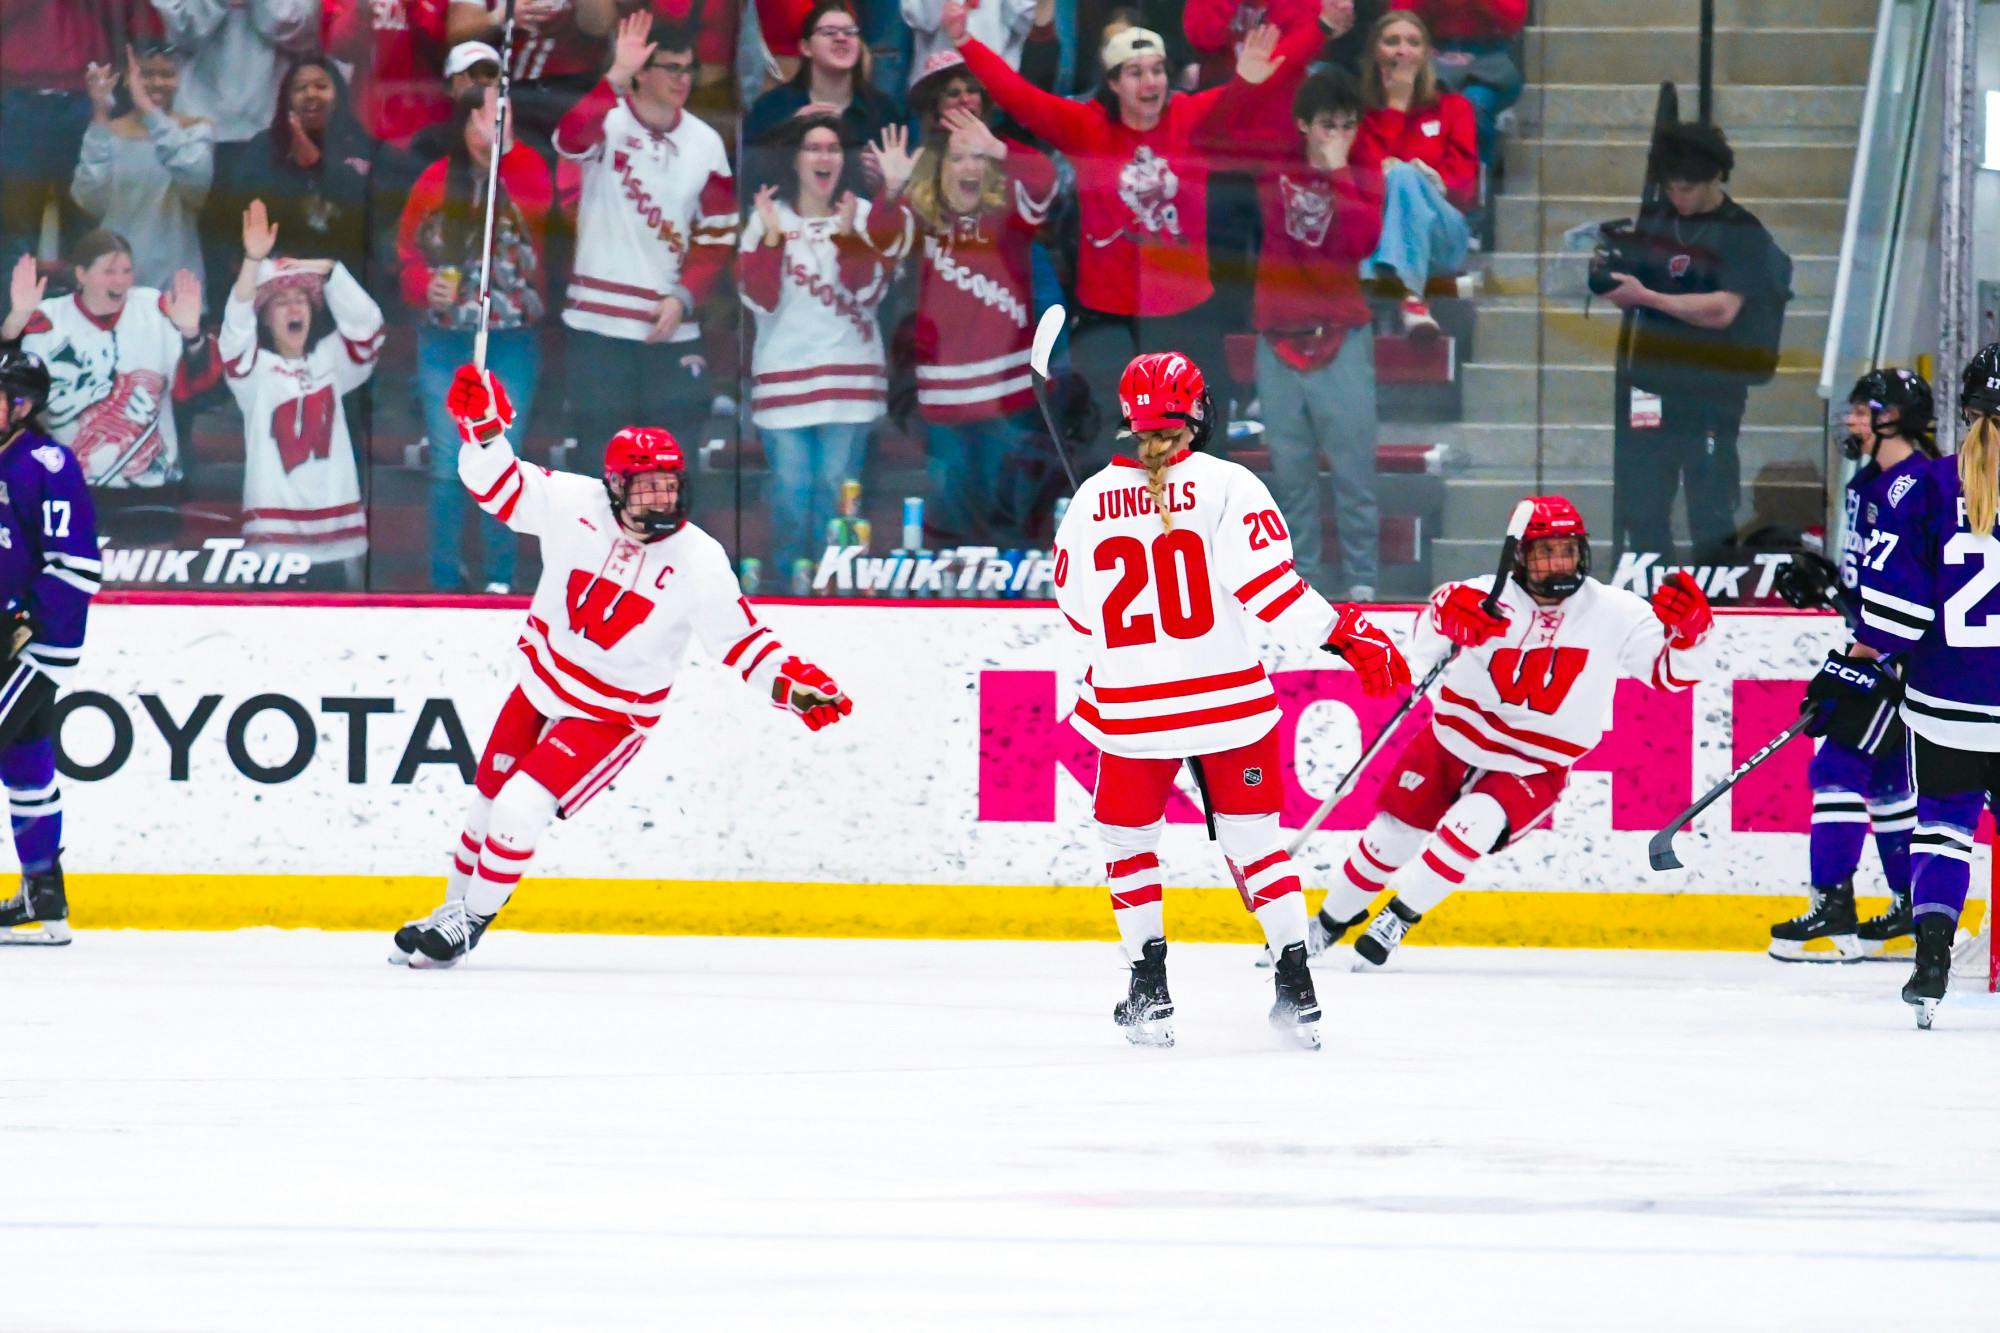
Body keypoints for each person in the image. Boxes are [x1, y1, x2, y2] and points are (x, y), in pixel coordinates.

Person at [388, 364, 855, 967]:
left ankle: (471, 922)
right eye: (649, 485)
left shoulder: (700, 558)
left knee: (518, 808)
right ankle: (449, 913)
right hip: (541, 684)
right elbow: (498, 488)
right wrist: (482, 432)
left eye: (670, 483)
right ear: (614, 485)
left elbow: (743, 642)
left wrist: (792, 685)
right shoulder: (572, 501)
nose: (664, 495)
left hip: (611, 716)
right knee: (486, 801)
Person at [1050, 351, 1412, 1049]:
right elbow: (1271, 593)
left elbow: (1077, 615)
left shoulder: (1089, 501)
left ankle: (1148, 990)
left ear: (1129, 417)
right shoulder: (1228, 483)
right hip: (1228, 703)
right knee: (1256, 844)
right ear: (1197, 412)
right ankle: (1295, 988)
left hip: (1134, 711)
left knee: (1130, 846)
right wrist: (1346, 634)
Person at [1310, 496, 1715, 969]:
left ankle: (1399, 917)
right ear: (1519, 556)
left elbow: (1671, 674)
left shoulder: (1616, 611)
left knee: (1473, 826)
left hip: (1535, 762)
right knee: (1390, 837)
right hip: (1452, 741)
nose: (1558, 561)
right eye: (1545, 552)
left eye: (1566, 549)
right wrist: (1444, 614)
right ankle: (1326, 924)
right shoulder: (1480, 596)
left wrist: (1693, 635)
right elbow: (1423, 646)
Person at [942, 3, 1318, 450]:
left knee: (1202, 441)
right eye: (1136, 72)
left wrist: (1249, 79)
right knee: (1116, 441)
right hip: (1108, 317)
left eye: (1158, 70)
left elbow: (1241, 99)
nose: (1151, 82)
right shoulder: (1086, 127)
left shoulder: (1191, 117)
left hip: (1186, 311)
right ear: (1115, 83)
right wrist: (965, 42)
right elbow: (1020, 95)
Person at [1841, 345, 2000, 1027]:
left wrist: (1853, 662)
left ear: (1965, 408)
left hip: (1946, 706)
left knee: (1943, 829)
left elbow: (1894, 619)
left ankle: (1931, 964)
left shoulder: (1921, 487)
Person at [1767, 369, 1932, 963]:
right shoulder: (1870, 482)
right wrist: (1832, 583)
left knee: (1836, 767)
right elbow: (1878, 577)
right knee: (1887, 781)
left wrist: (1860, 660)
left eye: (1865, 409)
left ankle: (1833, 913)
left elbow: (1917, 588)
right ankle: (1913, 910)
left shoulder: (1919, 485)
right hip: (1877, 644)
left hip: (1904, 656)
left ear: (1894, 417)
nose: (1853, 419)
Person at [1223, 49, 1383, 600]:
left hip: (1342, 335)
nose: (1336, 135)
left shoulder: (1364, 170)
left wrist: (1338, 171)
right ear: (1303, 125)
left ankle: (1363, 581)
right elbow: (1233, 126)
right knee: (1291, 476)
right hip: (1279, 337)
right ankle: (1303, 582)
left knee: (1353, 472)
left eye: (1346, 125)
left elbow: (1361, 242)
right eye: (1325, 126)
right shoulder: (1276, 162)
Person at [555, 13, 736, 476]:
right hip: (598, 327)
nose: (683, 79)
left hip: (668, 329)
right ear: (642, 71)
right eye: (671, 68)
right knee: (600, 468)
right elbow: (568, 141)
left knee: (671, 469)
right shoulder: (607, 120)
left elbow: (718, 234)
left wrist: (684, 296)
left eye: (688, 68)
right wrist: (613, 77)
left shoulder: (706, 142)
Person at [1601, 121, 1790, 564]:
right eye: (1670, 188)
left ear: (1714, 179)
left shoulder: (1742, 232)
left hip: (1710, 388)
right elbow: (1637, 288)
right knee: (1643, 501)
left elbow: (1723, 309)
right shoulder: (1658, 220)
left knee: (1709, 501)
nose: (1677, 198)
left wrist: (1647, 297)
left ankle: (1715, 599)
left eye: (1686, 188)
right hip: (1650, 381)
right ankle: (1650, 592)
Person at [866, 108, 1057, 545]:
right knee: (952, 512)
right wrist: (892, 191)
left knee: (1005, 509)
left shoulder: (1010, 216)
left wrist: (998, 146)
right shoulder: (923, 219)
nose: (968, 167)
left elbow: (1044, 176)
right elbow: (881, 240)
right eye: (957, 159)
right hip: (944, 398)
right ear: (940, 170)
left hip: (1006, 396)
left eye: (977, 158)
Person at [397, 89, 553, 593]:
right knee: (447, 461)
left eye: (501, 118)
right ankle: (444, 580)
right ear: (462, 122)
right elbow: (406, 256)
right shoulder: (435, 180)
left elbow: (540, 205)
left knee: (501, 453)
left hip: (511, 339)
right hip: (446, 340)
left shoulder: (525, 171)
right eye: (482, 117)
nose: (490, 128)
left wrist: (506, 153)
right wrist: (424, 286)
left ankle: (500, 579)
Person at [739, 116, 893, 585]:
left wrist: (848, 237)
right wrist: (768, 239)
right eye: (813, 148)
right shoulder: (768, 218)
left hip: (850, 387)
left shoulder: (864, 216)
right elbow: (758, 300)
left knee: (835, 495)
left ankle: (835, 590)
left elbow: (869, 293)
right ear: (797, 159)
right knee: (791, 493)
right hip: (785, 385)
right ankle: (791, 590)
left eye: (831, 148)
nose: (823, 157)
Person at [219, 200, 386, 580]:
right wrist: (252, 261)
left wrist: (329, 271)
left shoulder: (332, 360)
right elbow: (234, 331)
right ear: (266, 317)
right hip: (273, 540)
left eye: (301, 300)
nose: (295, 308)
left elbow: (368, 327)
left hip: (339, 537)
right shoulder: (254, 373)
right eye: (282, 302)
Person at [0, 350, 104, 946]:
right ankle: (45, 899)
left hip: (34, 649)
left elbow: (77, 565)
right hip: (9, 642)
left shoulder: (47, 462)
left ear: (23, 404)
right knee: (25, 765)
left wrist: (24, 620)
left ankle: (44, 894)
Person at [0, 235, 219, 509]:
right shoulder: (47, 318)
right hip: (70, 490)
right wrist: (14, 322)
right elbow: (10, 387)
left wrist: (192, 333)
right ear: (81, 274)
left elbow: (203, 389)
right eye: (109, 271)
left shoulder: (155, 309)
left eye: (126, 271)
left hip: (152, 491)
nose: (121, 281)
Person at [1350, 8, 1475, 337]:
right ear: (1375, 54)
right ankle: (1412, 301)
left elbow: (1464, 188)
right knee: (1399, 178)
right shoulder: (1357, 115)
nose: (1402, 50)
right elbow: (1365, 186)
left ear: (1427, 55)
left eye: (1413, 42)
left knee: (1404, 176)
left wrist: (1424, 179)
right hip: (1376, 231)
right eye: (1391, 42)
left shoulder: (1454, 108)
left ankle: (1370, 283)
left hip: (1443, 235)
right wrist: (1395, 106)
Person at [71, 44, 215, 292]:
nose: (157, 82)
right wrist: (100, 114)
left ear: (180, 79)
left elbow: (196, 181)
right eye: (146, 74)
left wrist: (150, 113)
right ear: (128, 78)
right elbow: (88, 199)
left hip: (177, 280)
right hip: (115, 280)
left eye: (167, 74)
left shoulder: (196, 131)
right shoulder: (108, 132)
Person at [743, 0, 905, 191]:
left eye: (850, 32)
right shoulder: (773, 108)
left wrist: (886, 183)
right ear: (806, 47)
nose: (841, 38)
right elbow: (746, 177)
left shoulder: (883, 110)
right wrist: (789, 133)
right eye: (829, 32)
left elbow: (900, 188)